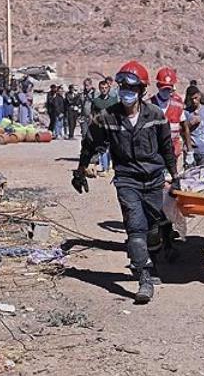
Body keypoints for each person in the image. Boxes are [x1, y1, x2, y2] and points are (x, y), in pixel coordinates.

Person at [72, 61, 179, 304]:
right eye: (122, 87)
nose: (126, 92)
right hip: (127, 179)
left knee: (152, 228)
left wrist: (176, 176)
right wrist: (80, 170)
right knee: (135, 229)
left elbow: (166, 149)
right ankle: (143, 277)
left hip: (153, 180)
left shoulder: (155, 115)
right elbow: (89, 144)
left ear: (141, 91)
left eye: (131, 88)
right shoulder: (107, 117)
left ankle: (151, 260)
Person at [149, 67, 193, 171]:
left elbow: (185, 128)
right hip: (154, 153)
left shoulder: (178, 105)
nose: (166, 91)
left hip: (173, 153)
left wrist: (190, 150)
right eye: (164, 88)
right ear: (158, 86)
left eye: (169, 89)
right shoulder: (149, 105)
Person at [92, 80, 118, 173]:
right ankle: (105, 168)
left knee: (113, 148)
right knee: (102, 148)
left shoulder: (114, 100)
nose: (104, 90)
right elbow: (93, 114)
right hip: (100, 127)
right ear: (99, 89)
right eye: (102, 88)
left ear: (109, 88)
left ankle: (112, 166)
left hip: (112, 127)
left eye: (106, 88)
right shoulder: (96, 101)